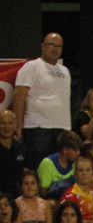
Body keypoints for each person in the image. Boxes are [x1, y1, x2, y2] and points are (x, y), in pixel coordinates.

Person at [14, 34, 70, 170]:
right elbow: (19, 96)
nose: (55, 49)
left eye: (59, 46)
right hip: (38, 128)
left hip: (61, 129)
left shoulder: (65, 71)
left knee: (58, 172)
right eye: (51, 45)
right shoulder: (32, 66)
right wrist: (18, 128)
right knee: (37, 170)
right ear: (43, 46)